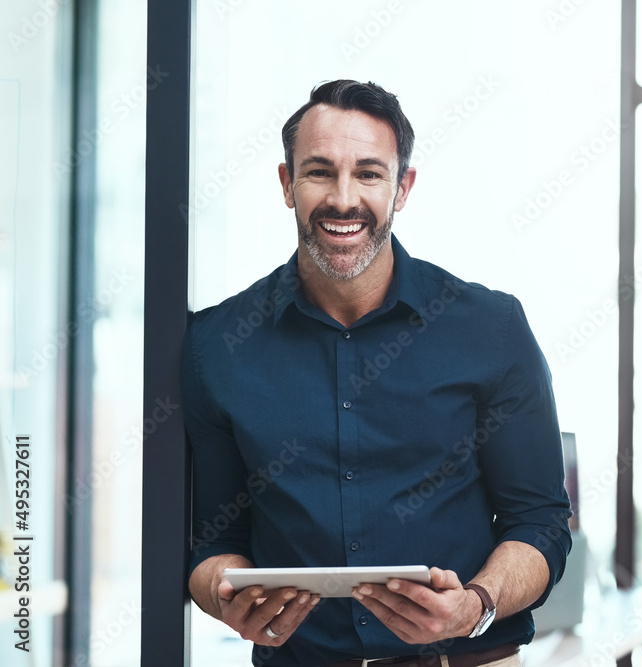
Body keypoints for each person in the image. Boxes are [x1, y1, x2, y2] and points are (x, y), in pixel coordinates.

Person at [181, 79, 573, 667]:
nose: (344, 199)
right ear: (287, 184)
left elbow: (540, 522)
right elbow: (212, 544)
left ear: (402, 187)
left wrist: (475, 605)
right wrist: (224, 593)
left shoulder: (490, 328)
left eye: (368, 173)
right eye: (319, 171)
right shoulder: (216, 345)